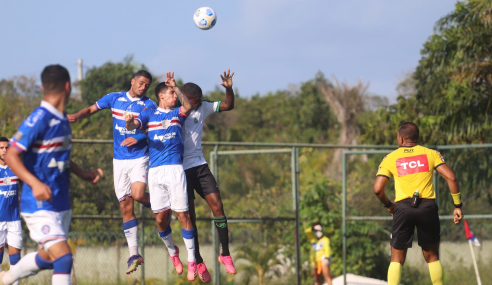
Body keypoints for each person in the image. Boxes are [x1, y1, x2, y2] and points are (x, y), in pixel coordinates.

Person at [1, 64, 103, 285]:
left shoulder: (62, 120)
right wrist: (34, 184)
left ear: (42, 87)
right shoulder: (40, 118)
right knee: (64, 259)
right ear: (68, 86)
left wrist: (82, 173)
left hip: (60, 202)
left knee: (48, 258)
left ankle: (7, 277)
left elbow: (61, 158)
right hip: (38, 205)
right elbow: (11, 155)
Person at [67, 70, 156, 274]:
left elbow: (151, 132)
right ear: (132, 81)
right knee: (125, 207)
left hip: (139, 157)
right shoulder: (114, 98)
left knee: (138, 194)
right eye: (141, 83)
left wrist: (138, 139)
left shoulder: (149, 105)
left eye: (147, 85)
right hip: (119, 160)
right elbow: (91, 109)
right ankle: (134, 254)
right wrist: (76, 116)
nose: (143, 87)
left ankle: (162, 203)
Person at [125, 72, 198, 281]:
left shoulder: (177, 113)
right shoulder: (149, 113)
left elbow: (188, 106)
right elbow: (133, 126)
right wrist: (130, 122)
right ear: (161, 96)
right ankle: (173, 253)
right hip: (156, 172)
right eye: (170, 94)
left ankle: (191, 260)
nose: (174, 97)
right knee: (160, 220)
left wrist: (175, 86)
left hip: (175, 170)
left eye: (175, 94)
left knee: (183, 216)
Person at [373, 122, 464, 285]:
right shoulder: (431, 154)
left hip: (402, 208)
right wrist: (457, 206)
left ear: (401, 139)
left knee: (396, 258)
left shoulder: (391, 158)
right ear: (416, 138)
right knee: (432, 256)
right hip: (427, 208)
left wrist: (389, 205)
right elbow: (451, 177)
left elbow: (378, 189)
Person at [182, 70, 236, 282]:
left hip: (199, 166)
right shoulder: (173, 110)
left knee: (218, 206)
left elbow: (227, 105)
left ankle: (225, 254)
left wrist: (229, 88)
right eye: (193, 101)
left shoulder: (202, 107)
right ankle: (197, 259)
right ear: (183, 98)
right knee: (190, 218)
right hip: (180, 170)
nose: (197, 104)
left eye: (198, 101)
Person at [0, 137, 22, 285]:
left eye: (7, 147)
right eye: (1, 148)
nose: (4, 150)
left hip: (14, 219)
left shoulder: (16, 167)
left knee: (16, 261)